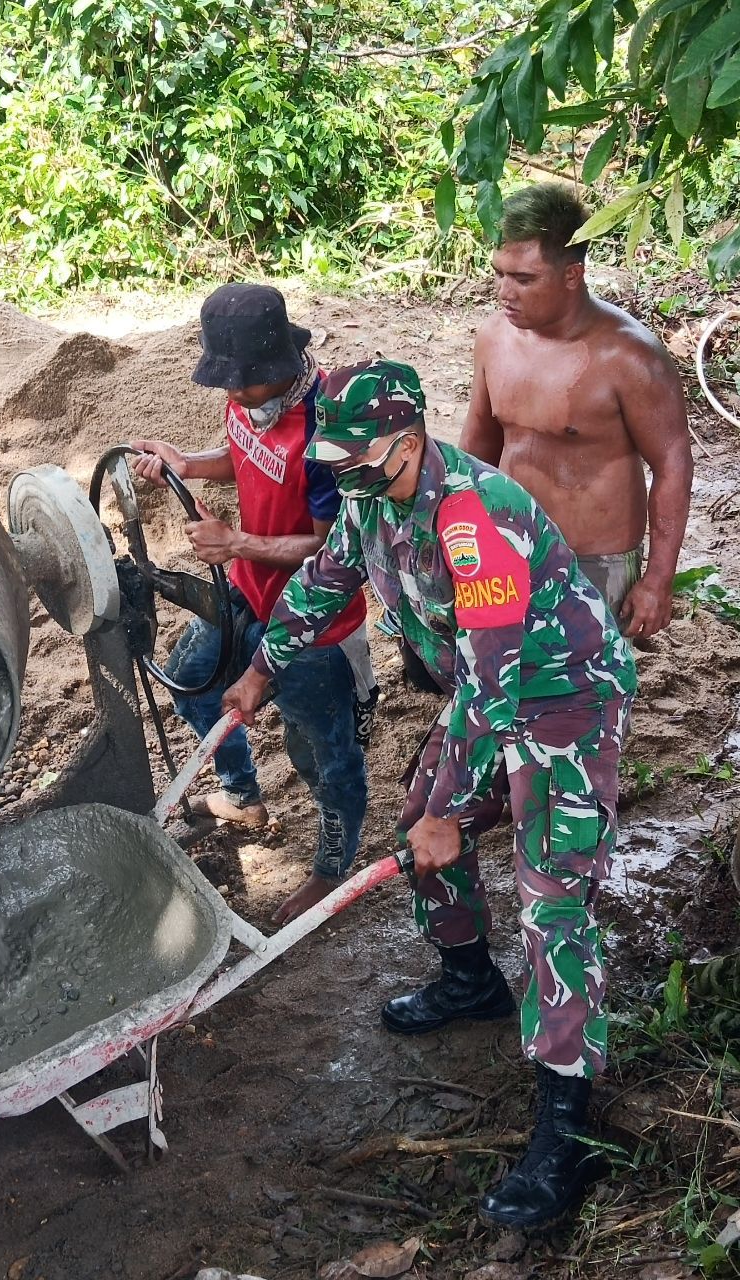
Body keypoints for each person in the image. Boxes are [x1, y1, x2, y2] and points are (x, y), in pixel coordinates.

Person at [222, 359, 637, 1230]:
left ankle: (568, 1125)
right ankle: (470, 981)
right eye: (336, 460)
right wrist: (261, 671)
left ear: (408, 443)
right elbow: (322, 584)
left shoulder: (470, 517)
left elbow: (492, 683)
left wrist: (455, 811)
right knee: (418, 831)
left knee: (552, 903)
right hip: (490, 697)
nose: (346, 476)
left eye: (360, 459)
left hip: (563, 696)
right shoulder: (371, 495)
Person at [131, 283, 375, 925]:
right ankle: (243, 796)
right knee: (190, 682)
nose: (231, 394)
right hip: (246, 589)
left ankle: (330, 870)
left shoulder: (327, 431)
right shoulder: (250, 406)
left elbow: (331, 548)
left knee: (322, 753)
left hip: (316, 622)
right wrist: (187, 464)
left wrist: (235, 540)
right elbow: (244, 460)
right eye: (227, 382)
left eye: (243, 383)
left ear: (279, 367)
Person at [460, 182, 693, 638]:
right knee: (507, 684)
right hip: (505, 544)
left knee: (586, 698)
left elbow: (673, 465)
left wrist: (658, 580)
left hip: (593, 563)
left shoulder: (629, 357)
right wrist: (461, 525)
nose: (504, 292)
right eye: (500, 273)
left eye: (524, 279)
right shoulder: (494, 337)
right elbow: (479, 440)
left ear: (573, 275)